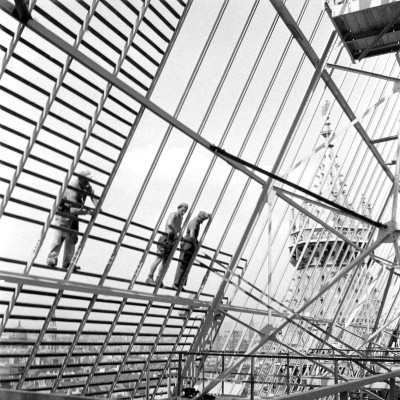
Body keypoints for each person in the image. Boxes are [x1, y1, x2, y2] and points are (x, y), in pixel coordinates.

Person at [47, 169, 98, 271]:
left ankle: (68, 263)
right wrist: (88, 212)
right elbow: (72, 209)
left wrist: (97, 206)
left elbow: (92, 195)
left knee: (72, 238)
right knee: (59, 237)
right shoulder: (72, 188)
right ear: (80, 179)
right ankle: (51, 259)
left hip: (75, 213)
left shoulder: (86, 185)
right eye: (86, 180)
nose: (87, 183)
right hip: (64, 212)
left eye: (88, 181)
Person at [146, 203, 189, 286]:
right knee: (159, 258)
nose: (183, 212)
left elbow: (179, 227)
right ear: (179, 208)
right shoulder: (173, 214)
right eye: (182, 210)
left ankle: (159, 280)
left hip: (171, 240)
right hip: (165, 239)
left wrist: (181, 236)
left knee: (165, 262)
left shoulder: (180, 218)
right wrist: (175, 232)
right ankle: (149, 277)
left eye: (185, 211)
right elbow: (169, 223)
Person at [173, 211, 210, 290]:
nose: (203, 222)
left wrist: (208, 215)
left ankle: (180, 284)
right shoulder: (194, 223)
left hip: (190, 243)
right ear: (200, 217)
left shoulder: (196, 222)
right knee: (183, 263)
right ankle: (176, 283)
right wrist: (196, 246)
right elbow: (192, 236)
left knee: (187, 264)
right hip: (189, 243)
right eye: (203, 220)